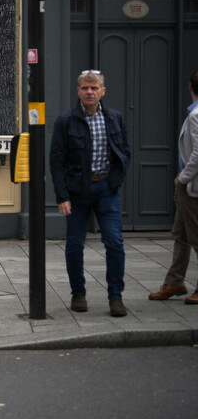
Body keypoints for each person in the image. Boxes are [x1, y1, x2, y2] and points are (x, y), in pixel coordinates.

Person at [49, 70, 132, 317]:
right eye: (85, 88)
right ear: (78, 91)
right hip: (77, 191)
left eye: (94, 88)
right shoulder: (66, 121)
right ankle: (78, 293)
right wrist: (62, 196)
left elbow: (125, 151)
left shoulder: (114, 118)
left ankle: (116, 297)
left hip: (106, 188)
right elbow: (57, 160)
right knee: (75, 245)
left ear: (102, 91)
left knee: (115, 243)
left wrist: (116, 179)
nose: (89, 92)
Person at [149, 69, 198, 305]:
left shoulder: (196, 115)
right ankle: (175, 280)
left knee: (195, 236)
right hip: (187, 185)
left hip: (192, 186)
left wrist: (183, 178)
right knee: (181, 234)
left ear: (190, 87)